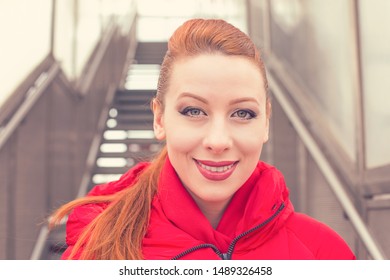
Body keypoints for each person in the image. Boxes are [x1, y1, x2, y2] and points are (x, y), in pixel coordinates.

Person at [49, 18, 356, 260]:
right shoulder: (99, 245)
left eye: (243, 114)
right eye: (194, 110)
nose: (218, 140)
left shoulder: (322, 254)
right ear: (159, 119)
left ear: (266, 123)